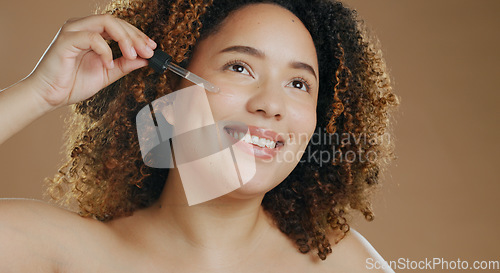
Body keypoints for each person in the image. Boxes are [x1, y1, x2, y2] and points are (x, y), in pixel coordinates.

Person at [0, 0, 399, 271]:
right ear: (170, 91)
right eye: (240, 68)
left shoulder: (343, 264)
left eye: (298, 84)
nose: (271, 104)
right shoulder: (67, 252)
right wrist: (39, 93)